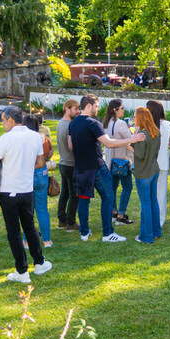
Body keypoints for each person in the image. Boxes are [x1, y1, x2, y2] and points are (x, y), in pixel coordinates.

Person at [0, 106, 53, 283]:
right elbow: (40, 162)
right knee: (30, 227)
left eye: (2, 120)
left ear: (10, 120)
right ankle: (39, 262)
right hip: (27, 189)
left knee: (14, 231)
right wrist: (25, 167)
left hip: (9, 190)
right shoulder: (35, 136)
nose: (2, 124)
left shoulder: (5, 138)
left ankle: (22, 270)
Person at [68, 94, 145, 243]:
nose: (98, 109)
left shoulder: (73, 123)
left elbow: (71, 146)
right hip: (96, 167)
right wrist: (132, 139)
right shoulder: (92, 123)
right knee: (108, 197)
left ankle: (84, 232)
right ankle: (108, 233)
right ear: (89, 106)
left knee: (83, 200)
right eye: (96, 106)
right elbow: (108, 143)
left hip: (81, 167)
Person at [131, 107, 162, 243]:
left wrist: (128, 144)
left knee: (146, 205)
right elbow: (156, 151)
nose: (133, 118)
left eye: (135, 116)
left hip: (144, 173)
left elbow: (140, 154)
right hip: (154, 170)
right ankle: (156, 232)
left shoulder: (142, 135)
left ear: (140, 118)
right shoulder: (156, 132)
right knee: (153, 201)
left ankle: (146, 236)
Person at [103, 99, 135, 225]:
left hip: (110, 160)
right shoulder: (121, 124)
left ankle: (113, 212)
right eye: (122, 108)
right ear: (115, 109)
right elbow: (130, 139)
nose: (124, 110)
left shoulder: (107, 122)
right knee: (127, 187)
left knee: (113, 188)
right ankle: (121, 215)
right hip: (122, 160)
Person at [24, 113, 53, 247]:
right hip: (42, 173)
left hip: (28, 173)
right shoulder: (43, 138)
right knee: (42, 209)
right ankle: (46, 240)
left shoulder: (23, 140)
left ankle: (26, 241)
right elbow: (50, 153)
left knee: (27, 210)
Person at [146, 100, 170, 227]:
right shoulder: (167, 124)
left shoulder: (146, 124)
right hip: (162, 162)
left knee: (149, 193)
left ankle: (150, 218)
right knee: (161, 193)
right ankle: (160, 220)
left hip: (149, 162)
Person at [55, 99, 79, 232]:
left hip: (63, 163)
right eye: (75, 109)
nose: (78, 112)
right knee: (74, 194)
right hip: (70, 164)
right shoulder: (70, 125)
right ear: (67, 109)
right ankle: (70, 222)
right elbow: (72, 146)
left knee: (65, 193)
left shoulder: (60, 123)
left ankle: (62, 220)